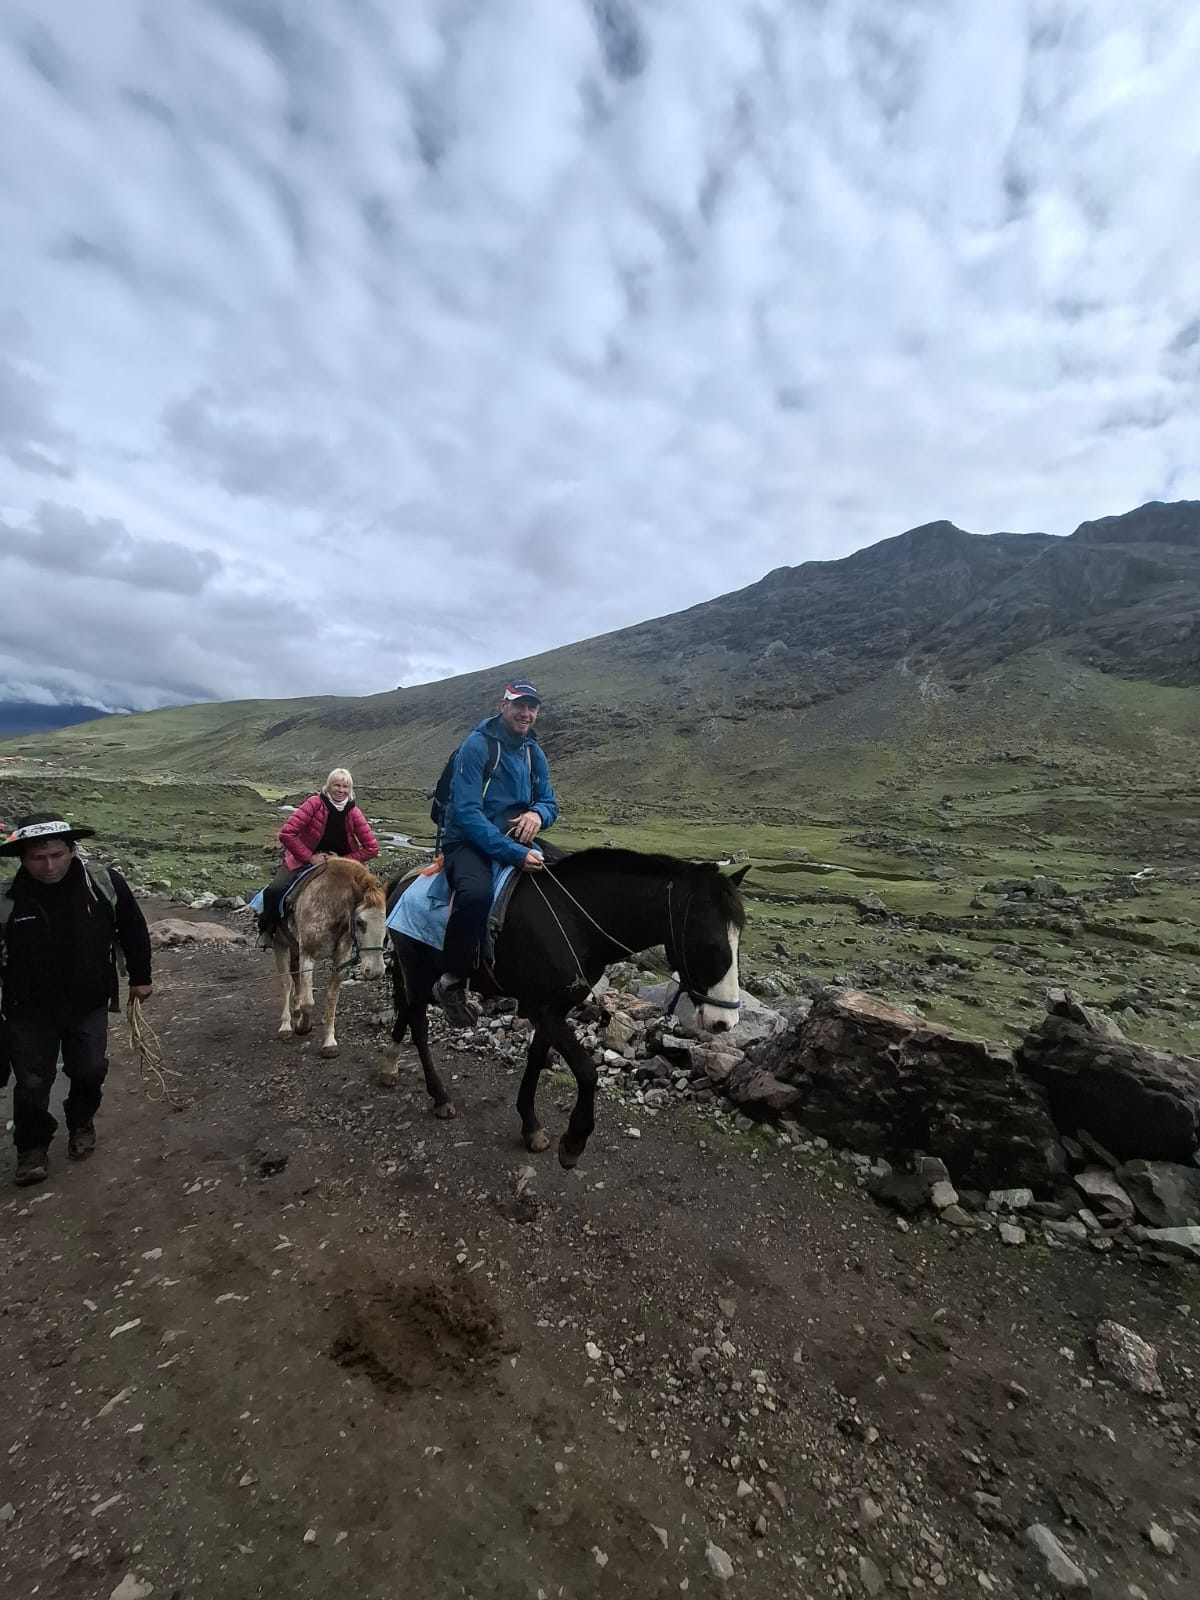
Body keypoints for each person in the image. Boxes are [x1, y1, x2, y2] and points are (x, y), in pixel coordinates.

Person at [0, 812, 152, 1187]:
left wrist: (141, 976)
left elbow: (132, 927)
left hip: (88, 1001)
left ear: (71, 850)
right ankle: (31, 1147)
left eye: (56, 854)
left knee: (88, 1070)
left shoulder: (102, 884)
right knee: (33, 1082)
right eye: (37, 858)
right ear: (22, 858)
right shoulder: (6, 901)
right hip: (27, 1010)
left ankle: (81, 1121)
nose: (49, 865)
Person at [433, 679, 559, 1026]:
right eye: (519, 705)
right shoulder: (477, 747)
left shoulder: (534, 753)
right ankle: (452, 980)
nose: (526, 712)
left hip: (515, 838)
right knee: (475, 894)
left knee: (568, 878)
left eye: (532, 706)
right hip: (467, 841)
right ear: (502, 705)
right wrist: (514, 853)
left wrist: (537, 815)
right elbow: (468, 813)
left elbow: (550, 802)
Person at [257, 768, 379, 938]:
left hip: (343, 865)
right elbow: (287, 833)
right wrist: (309, 857)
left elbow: (372, 847)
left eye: (345, 787)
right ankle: (268, 932)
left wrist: (342, 860)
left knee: (374, 899)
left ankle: (371, 943)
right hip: (305, 860)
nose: (341, 790)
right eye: (337, 785)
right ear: (328, 786)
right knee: (274, 890)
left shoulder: (354, 812)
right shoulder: (314, 803)